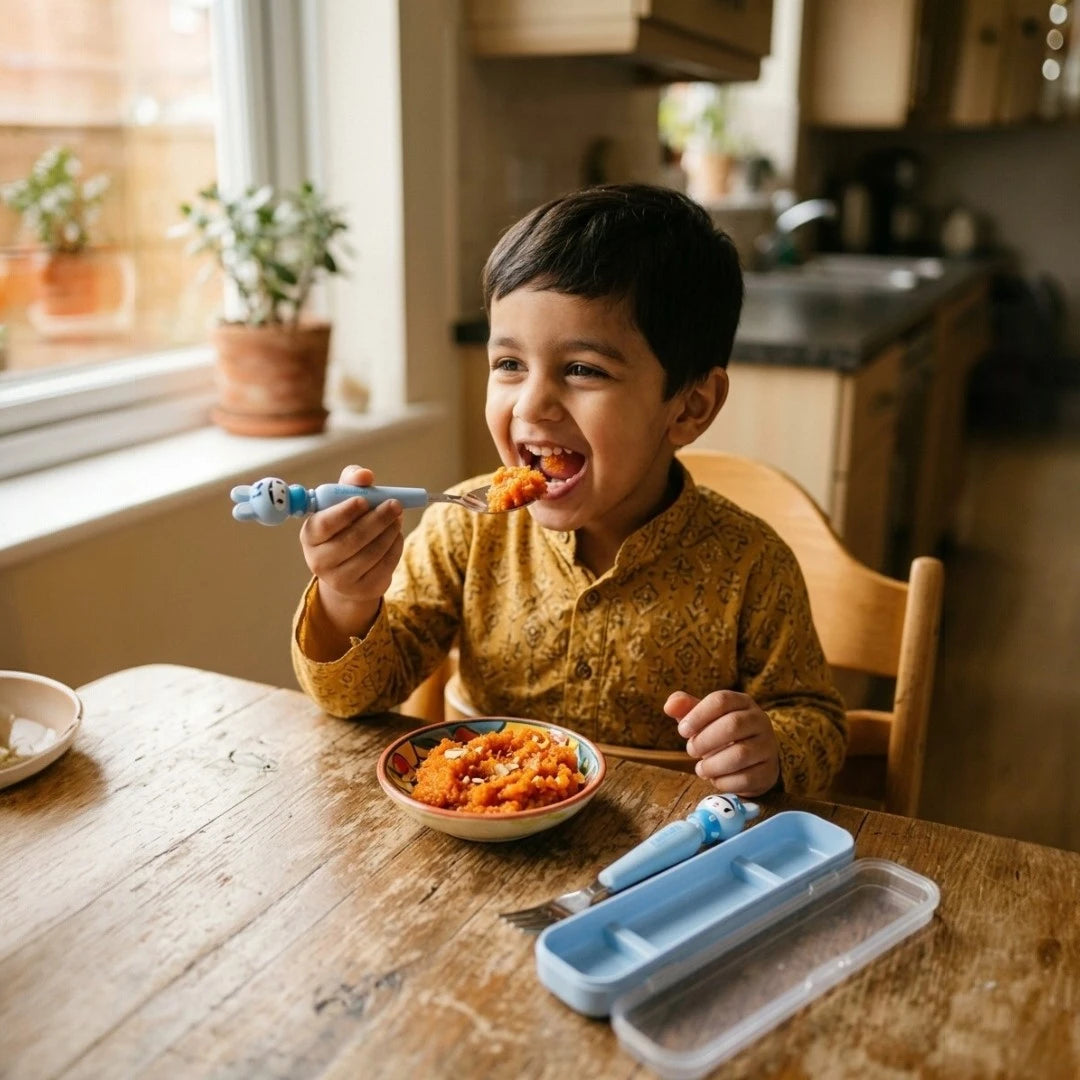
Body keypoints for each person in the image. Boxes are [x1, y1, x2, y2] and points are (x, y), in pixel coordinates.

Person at [291, 183, 846, 797]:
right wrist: (348, 595)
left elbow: (815, 720)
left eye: (583, 370)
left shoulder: (752, 566)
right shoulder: (465, 528)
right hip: (483, 839)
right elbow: (357, 701)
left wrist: (768, 747)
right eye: (509, 364)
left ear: (690, 407)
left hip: (668, 853)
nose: (531, 404)